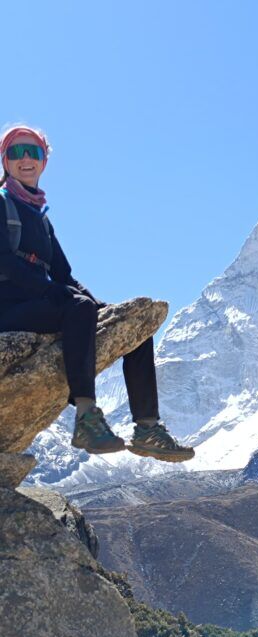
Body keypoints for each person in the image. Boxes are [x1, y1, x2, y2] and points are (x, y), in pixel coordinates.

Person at [0, 124, 194, 462]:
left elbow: (64, 275)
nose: (26, 159)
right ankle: (86, 417)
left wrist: (106, 309)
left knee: (133, 322)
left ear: (45, 161)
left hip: (41, 302)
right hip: (9, 309)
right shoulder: (3, 205)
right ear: (5, 161)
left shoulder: (39, 217)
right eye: (17, 152)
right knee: (77, 308)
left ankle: (148, 427)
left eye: (35, 152)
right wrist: (53, 292)